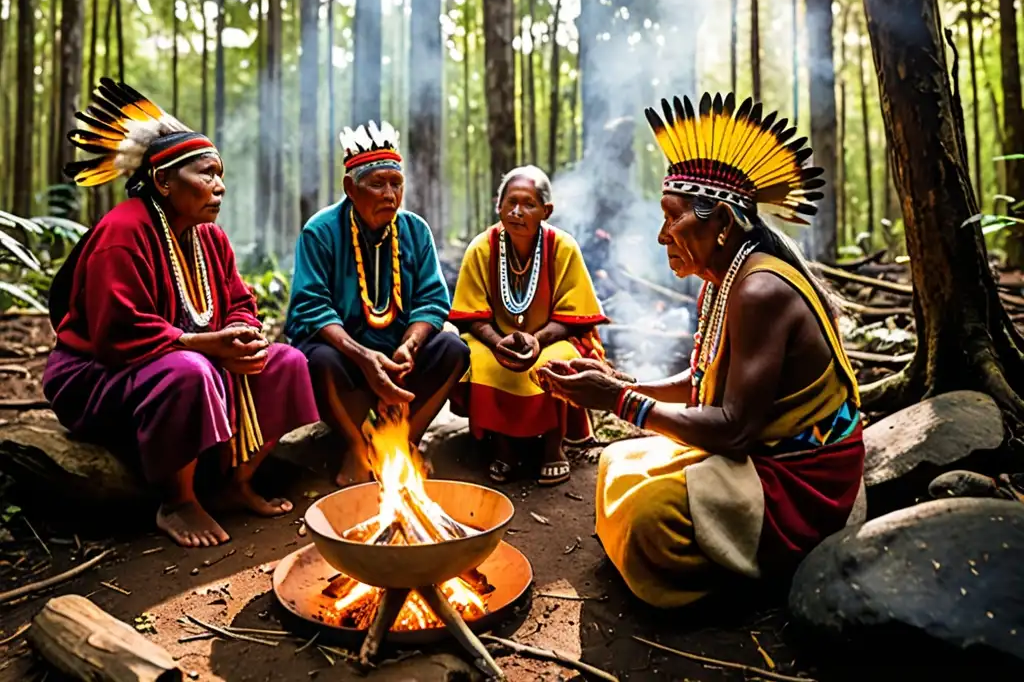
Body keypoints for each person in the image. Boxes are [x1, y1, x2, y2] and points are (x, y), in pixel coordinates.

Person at [536, 92, 867, 607]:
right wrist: (615, 381)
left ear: (723, 225)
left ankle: (743, 582)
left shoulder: (759, 291)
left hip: (803, 480)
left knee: (649, 513)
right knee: (618, 463)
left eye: (673, 218)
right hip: (761, 451)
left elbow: (733, 430)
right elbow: (701, 384)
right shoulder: (722, 276)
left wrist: (617, 401)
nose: (662, 234)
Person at [43, 79, 320, 548]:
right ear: (164, 181)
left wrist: (242, 334)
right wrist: (204, 345)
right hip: (96, 375)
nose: (220, 186)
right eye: (207, 174)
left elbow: (238, 302)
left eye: (221, 174)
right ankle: (177, 500)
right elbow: (117, 332)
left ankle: (234, 483)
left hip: (188, 361)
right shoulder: (122, 230)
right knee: (189, 372)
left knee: (287, 362)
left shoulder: (209, 236)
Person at [285, 120, 469, 486]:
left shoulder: (415, 230)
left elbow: (433, 299)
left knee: (453, 348)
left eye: (396, 183)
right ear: (350, 188)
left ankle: (402, 445)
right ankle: (356, 447)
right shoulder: (320, 231)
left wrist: (409, 346)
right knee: (315, 358)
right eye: (377, 184)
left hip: (401, 357)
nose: (389, 194)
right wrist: (364, 357)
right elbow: (311, 306)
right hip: (344, 357)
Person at [449, 166, 608, 486]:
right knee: (480, 360)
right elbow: (472, 314)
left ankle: (553, 446)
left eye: (528, 204)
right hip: (495, 340)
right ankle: (503, 448)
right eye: (510, 202)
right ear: (498, 205)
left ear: (546, 211)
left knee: (558, 360)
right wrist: (496, 341)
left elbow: (574, 316)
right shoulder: (482, 247)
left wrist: (537, 340)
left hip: (550, 339)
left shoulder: (563, 247)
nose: (517, 211)